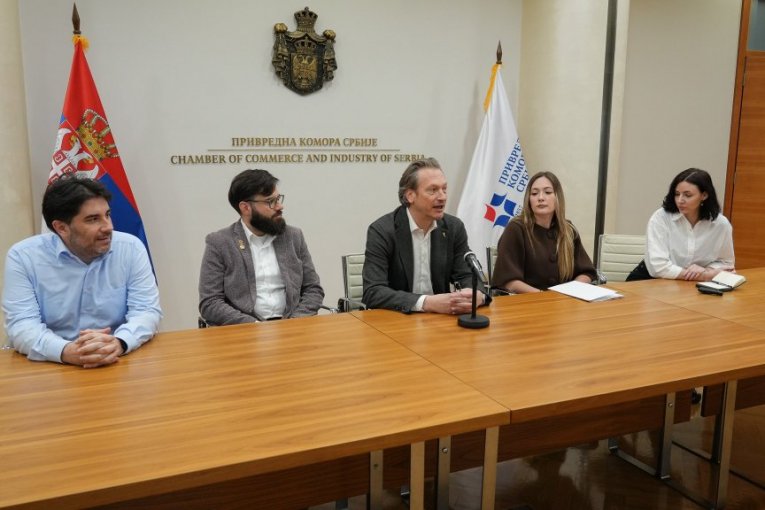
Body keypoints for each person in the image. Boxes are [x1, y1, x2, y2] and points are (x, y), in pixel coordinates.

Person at [2, 177, 161, 367]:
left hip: (114, 359)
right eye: (93, 219)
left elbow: (146, 311)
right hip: (50, 365)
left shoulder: (131, 248)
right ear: (61, 228)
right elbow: (22, 325)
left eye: (107, 215)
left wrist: (119, 342)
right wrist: (66, 351)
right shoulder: (23, 256)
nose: (108, 227)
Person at [362, 157, 490, 314]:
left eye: (444, 189)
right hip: (398, 318)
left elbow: (467, 275)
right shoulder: (382, 230)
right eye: (433, 190)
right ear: (410, 195)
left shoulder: (453, 228)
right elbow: (373, 291)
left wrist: (476, 295)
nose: (442, 197)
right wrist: (426, 303)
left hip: (441, 318)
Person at [199, 169, 324, 325]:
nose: (280, 206)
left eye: (278, 199)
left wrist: (294, 322)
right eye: (270, 201)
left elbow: (313, 289)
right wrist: (254, 326)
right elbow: (210, 302)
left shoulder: (293, 236)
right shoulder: (220, 242)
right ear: (245, 208)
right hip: (244, 330)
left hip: (292, 326)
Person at [492, 171, 597, 293]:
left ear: (557, 197)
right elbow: (509, 282)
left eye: (547, 192)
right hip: (527, 301)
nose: (540, 198)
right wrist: (543, 296)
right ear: (529, 199)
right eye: (534, 193)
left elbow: (586, 272)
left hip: (564, 301)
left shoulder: (568, 230)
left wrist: (571, 290)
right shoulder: (516, 229)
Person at [636, 168, 734, 281]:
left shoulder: (720, 224)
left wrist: (705, 270)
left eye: (687, 195)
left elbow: (726, 264)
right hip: (650, 280)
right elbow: (658, 267)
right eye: (677, 194)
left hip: (689, 285)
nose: (680, 200)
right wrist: (705, 275)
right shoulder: (661, 217)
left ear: (704, 195)